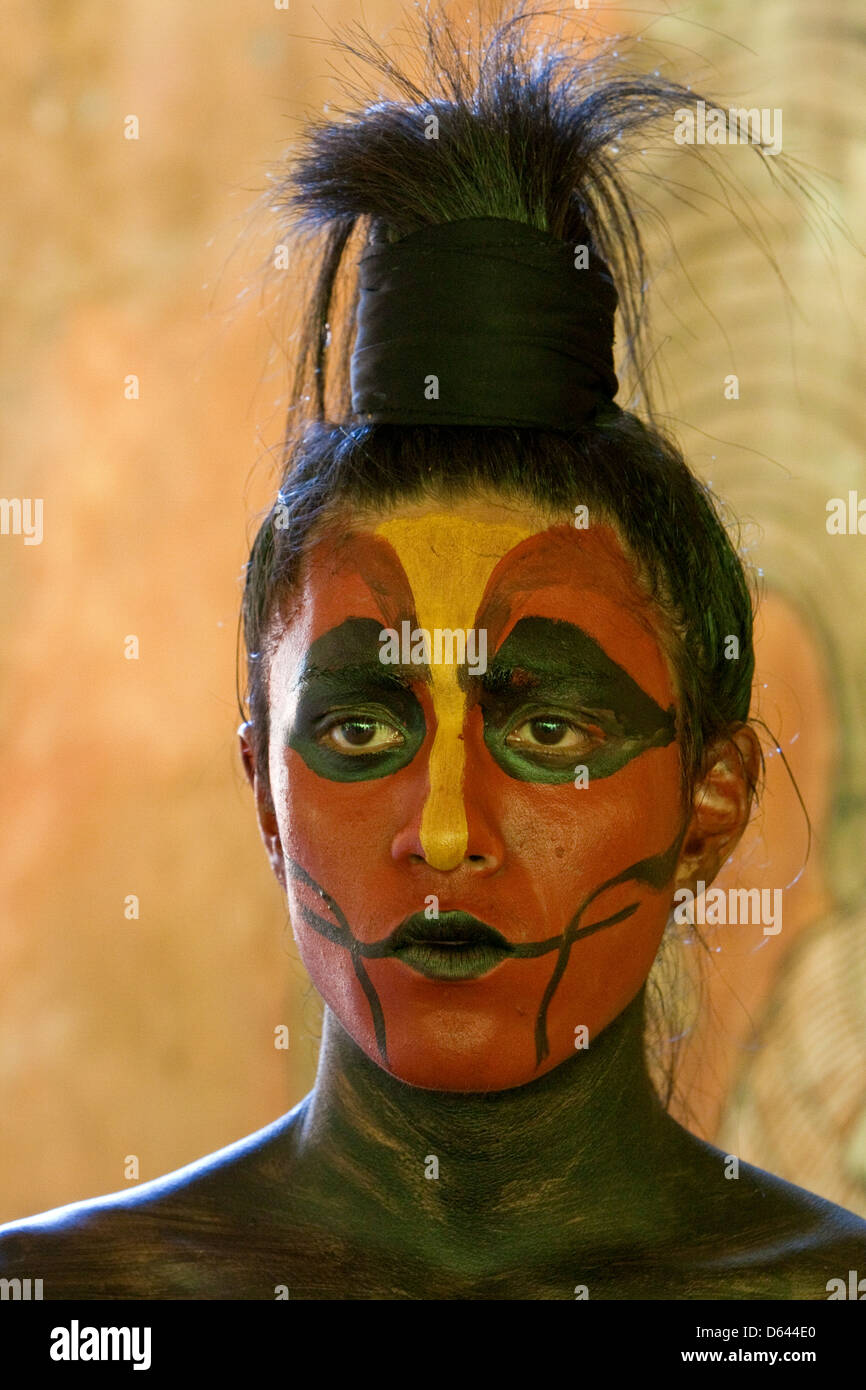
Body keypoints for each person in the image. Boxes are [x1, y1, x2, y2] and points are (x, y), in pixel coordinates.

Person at [1, 5, 864, 1300]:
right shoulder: (75, 1306)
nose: (447, 830)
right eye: (361, 729)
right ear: (263, 793)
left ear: (712, 800)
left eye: (547, 729)